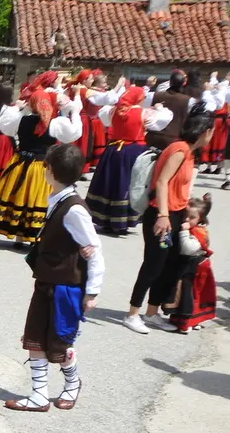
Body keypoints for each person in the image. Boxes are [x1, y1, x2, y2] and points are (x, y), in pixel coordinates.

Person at [4, 144, 104, 412]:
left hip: (66, 288)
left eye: (45, 166)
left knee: (60, 345)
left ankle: (72, 384)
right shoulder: (58, 199)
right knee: (34, 338)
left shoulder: (74, 210)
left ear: (49, 170)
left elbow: (94, 252)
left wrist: (92, 291)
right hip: (46, 282)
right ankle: (38, 395)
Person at [123, 105, 215, 334]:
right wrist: (163, 215)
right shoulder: (179, 149)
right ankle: (133, 313)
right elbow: (162, 182)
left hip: (175, 214)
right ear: (205, 131)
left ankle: (152, 312)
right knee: (153, 264)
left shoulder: (189, 152)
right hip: (160, 214)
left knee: (166, 265)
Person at [0, 71, 83, 246]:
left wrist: (20, 107)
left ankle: (19, 236)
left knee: (20, 196)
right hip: (41, 167)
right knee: (36, 200)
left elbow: (4, 125)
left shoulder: (21, 119)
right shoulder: (55, 123)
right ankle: (32, 236)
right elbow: (75, 133)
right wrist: (73, 111)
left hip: (20, 162)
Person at [86, 83, 173, 234]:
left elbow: (104, 115)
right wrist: (159, 108)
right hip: (133, 151)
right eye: (142, 98)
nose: (142, 101)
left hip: (113, 150)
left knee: (110, 182)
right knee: (128, 183)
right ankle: (122, 221)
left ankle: (106, 219)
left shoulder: (113, 110)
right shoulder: (143, 113)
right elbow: (164, 120)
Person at [167, 195, 216, 332]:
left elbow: (187, 248)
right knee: (193, 294)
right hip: (194, 267)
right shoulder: (196, 229)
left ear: (200, 218)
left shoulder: (197, 232)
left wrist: (183, 231)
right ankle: (192, 320)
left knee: (187, 295)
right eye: (185, 216)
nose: (187, 220)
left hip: (193, 267)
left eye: (191, 217)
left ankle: (186, 321)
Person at [144, 70, 192, 150]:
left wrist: (147, 86)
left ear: (170, 83)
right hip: (173, 139)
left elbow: (143, 106)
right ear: (183, 84)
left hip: (153, 137)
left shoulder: (153, 95)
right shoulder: (189, 100)